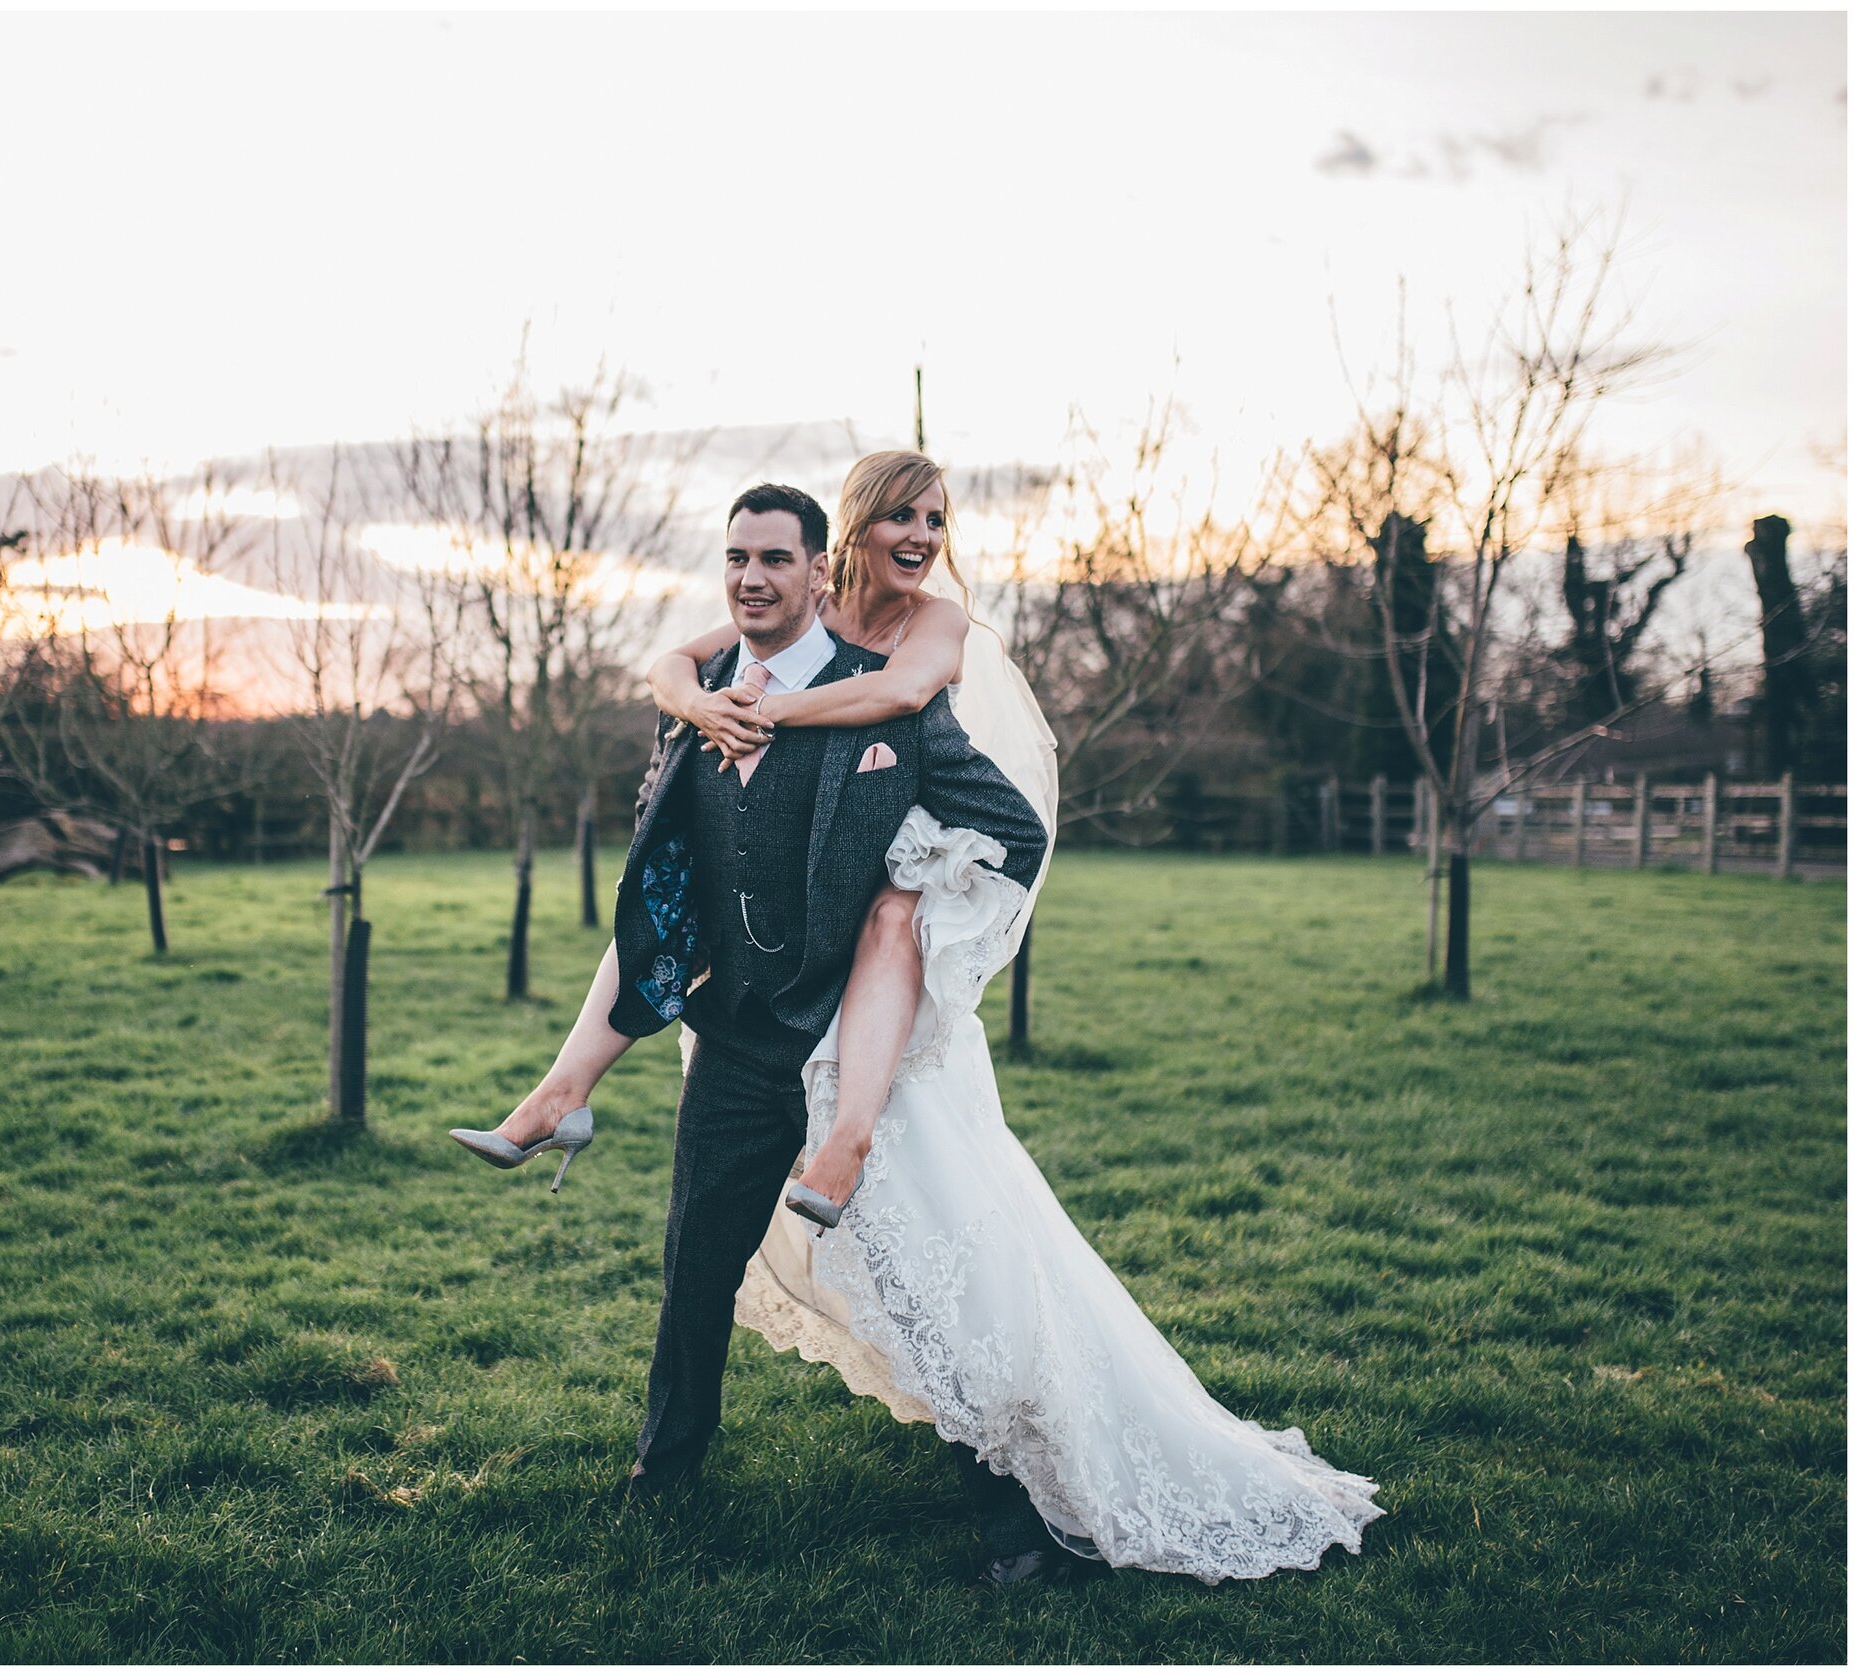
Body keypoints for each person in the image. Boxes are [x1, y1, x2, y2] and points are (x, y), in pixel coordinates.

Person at [454, 459, 1385, 1586]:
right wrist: (699, 709)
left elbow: (1002, 818)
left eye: (771, 560)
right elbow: (674, 794)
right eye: (738, 560)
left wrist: (910, 901)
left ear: (810, 565)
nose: (922, 534)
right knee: (693, 1271)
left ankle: (1014, 1527)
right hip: (742, 1039)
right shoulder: (708, 684)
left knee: (928, 1286)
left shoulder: (905, 671)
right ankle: (662, 1477)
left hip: (861, 1052)